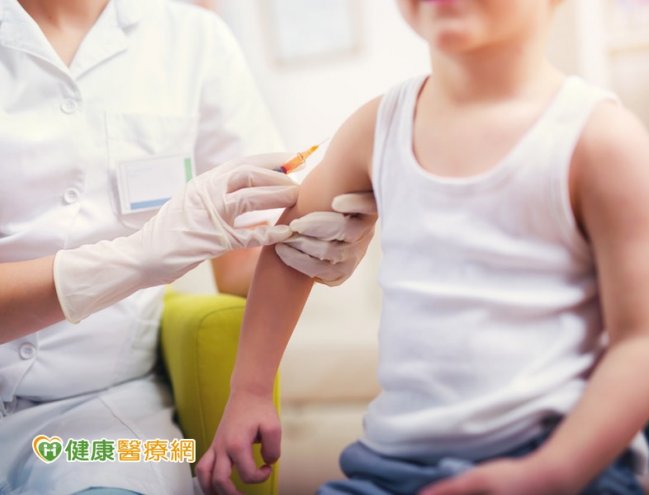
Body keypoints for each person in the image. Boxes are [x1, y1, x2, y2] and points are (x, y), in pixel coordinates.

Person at [198, 0, 649, 494]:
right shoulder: (378, 126)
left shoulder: (601, 140)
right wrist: (249, 390)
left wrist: (549, 473)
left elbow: (645, 341)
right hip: (391, 466)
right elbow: (289, 249)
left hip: (559, 461)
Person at [0, 0, 376, 493]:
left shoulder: (194, 39)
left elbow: (247, 258)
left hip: (98, 413)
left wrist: (317, 249)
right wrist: (136, 258)